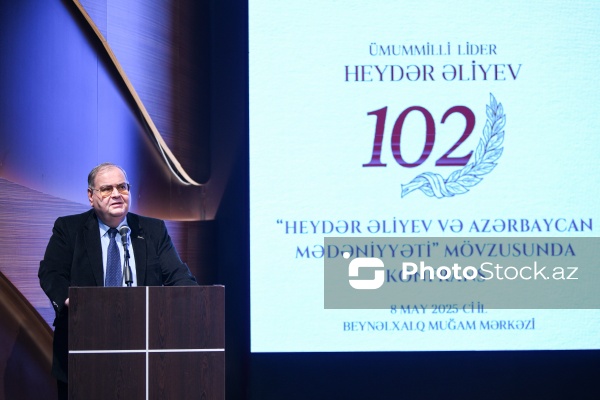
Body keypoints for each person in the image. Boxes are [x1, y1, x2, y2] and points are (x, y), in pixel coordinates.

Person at [38, 162, 198, 399]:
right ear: (91, 196)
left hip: (144, 350)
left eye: (122, 187)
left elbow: (180, 278)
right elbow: (51, 273)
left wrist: (189, 306)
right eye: (106, 189)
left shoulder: (152, 230)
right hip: (84, 347)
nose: (116, 194)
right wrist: (71, 301)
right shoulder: (69, 229)